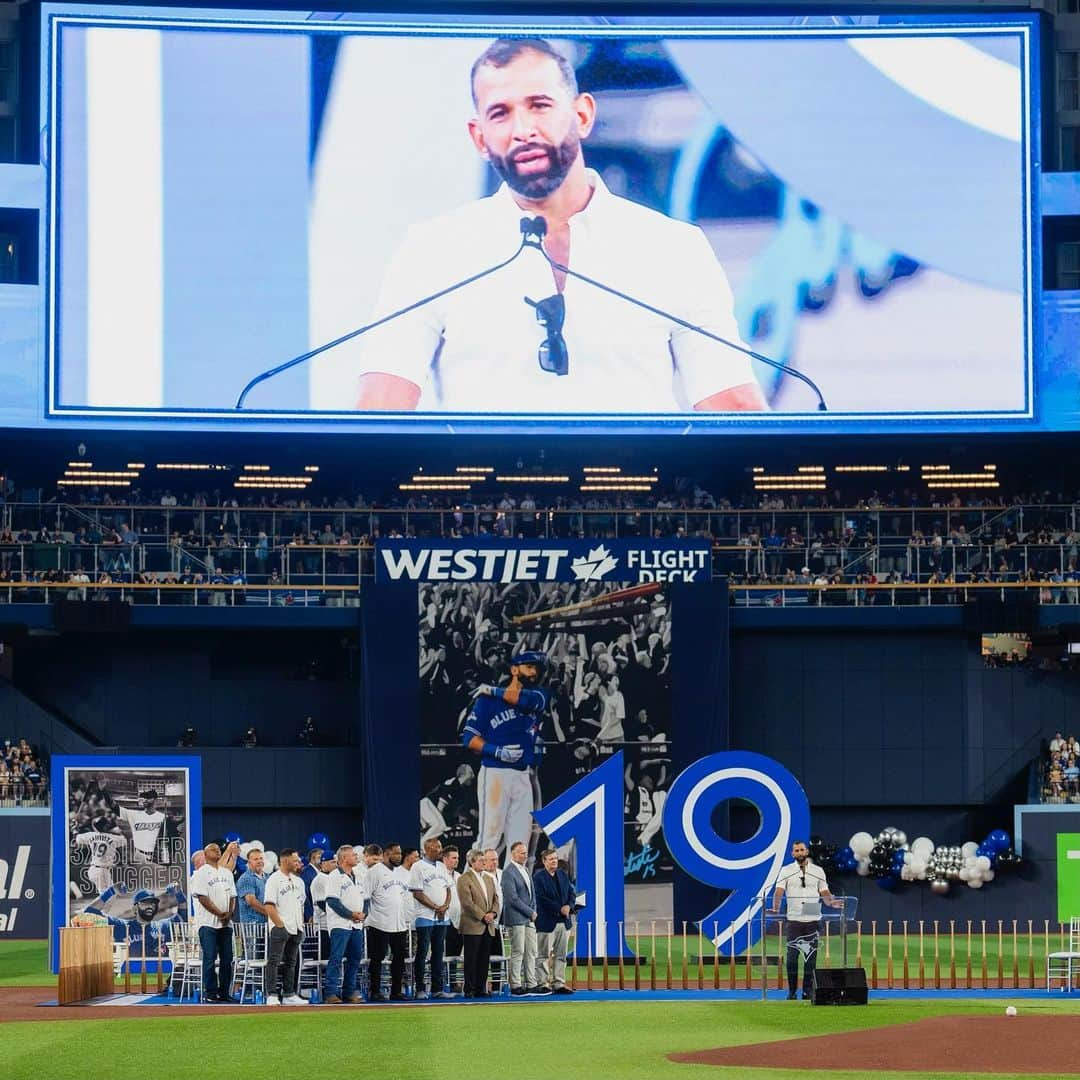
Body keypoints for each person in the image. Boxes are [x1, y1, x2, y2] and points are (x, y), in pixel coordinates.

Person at [355, 37, 766, 415]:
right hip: (486, 492)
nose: (523, 130)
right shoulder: (432, 250)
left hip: (635, 491)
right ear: (479, 139)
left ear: (582, 114)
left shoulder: (673, 247)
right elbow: (379, 413)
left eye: (540, 105)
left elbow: (733, 409)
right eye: (500, 114)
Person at [464, 649, 548, 854]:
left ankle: (512, 887)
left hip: (523, 774)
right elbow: (469, 738)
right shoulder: (487, 701)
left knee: (520, 844)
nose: (533, 673)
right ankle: (468, 886)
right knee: (489, 838)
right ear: (514, 669)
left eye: (536, 669)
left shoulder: (538, 695)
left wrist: (492, 690)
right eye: (528, 667)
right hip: (495, 773)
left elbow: (524, 700)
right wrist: (497, 751)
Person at [770, 839, 843, 1000]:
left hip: (813, 918)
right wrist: (775, 907)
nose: (799, 853)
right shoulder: (786, 870)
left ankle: (807, 991)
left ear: (807, 852)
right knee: (792, 958)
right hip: (794, 919)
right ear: (792, 854)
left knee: (811, 958)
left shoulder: (818, 871)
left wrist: (832, 902)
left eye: (802, 850)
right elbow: (779, 891)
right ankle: (792, 991)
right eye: (796, 851)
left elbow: (824, 892)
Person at [189, 841, 237, 1003]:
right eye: (213, 849)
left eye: (218, 849)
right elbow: (203, 897)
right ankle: (210, 993)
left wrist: (229, 914)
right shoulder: (200, 873)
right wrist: (220, 914)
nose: (217, 850)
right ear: (205, 854)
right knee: (209, 958)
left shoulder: (227, 873)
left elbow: (232, 896)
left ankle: (224, 992)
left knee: (227, 959)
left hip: (225, 924)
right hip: (207, 923)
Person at [363, 843, 410, 1001]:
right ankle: (375, 991)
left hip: (399, 923)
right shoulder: (374, 872)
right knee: (377, 957)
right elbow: (366, 897)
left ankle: (396, 991)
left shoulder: (401, 873)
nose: (399, 856)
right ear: (386, 854)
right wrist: (364, 917)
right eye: (396, 853)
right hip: (379, 922)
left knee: (399, 957)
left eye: (400, 853)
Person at [263, 848, 309, 1006]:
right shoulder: (273, 880)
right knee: (274, 961)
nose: (298, 863)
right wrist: (279, 925)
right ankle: (271, 994)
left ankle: (289, 993)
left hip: (296, 927)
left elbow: (300, 905)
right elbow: (269, 906)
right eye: (295, 860)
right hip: (280, 926)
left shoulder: (299, 881)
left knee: (291, 962)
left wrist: (301, 926)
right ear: (285, 861)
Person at [409, 837, 454, 999]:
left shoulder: (442, 866)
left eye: (440, 846)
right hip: (425, 916)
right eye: (436, 848)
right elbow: (417, 893)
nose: (439, 850)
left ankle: (437, 989)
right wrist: (436, 907)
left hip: (442, 916)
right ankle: (420, 989)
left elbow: (448, 889)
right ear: (427, 849)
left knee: (438, 953)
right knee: (422, 953)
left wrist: (445, 906)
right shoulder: (418, 866)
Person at [323, 844, 367, 1005]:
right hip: (340, 924)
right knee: (336, 958)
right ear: (343, 859)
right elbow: (332, 901)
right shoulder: (335, 876)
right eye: (353, 855)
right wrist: (351, 914)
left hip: (356, 924)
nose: (356, 857)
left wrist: (363, 914)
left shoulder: (359, 875)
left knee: (355, 959)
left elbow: (365, 899)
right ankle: (330, 993)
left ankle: (349, 992)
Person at [502, 840, 543, 995]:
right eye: (522, 852)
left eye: (526, 852)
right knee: (518, 951)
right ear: (513, 854)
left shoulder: (525, 869)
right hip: (516, 918)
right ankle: (515, 985)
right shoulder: (508, 872)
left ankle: (531, 983)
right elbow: (511, 898)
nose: (525, 855)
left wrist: (534, 910)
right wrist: (530, 912)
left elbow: (532, 895)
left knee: (531, 951)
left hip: (529, 918)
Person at [458, 848, 500, 998]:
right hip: (473, 925)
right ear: (472, 862)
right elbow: (467, 903)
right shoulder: (464, 879)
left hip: (488, 926)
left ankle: (481, 988)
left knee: (484, 959)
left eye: (484, 860)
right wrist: (483, 916)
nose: (484, 863)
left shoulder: (489, 878)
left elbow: (496, 899)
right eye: (481, 860)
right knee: (471, 959)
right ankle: (469, 989)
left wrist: (493, 914)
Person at [534, 847, 575, 994]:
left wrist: (569, 907)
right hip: (546, 923)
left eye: (556, 859)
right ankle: (543, 983)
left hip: (564, 923)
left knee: (561, 955)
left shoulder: (562, 875)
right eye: (551, 859)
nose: (554, 861)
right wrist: (559, 909)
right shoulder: (538, 878)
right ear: (544, 861)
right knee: (543, 955)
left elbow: (571, 893)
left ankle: (559, 983)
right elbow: (541, 899)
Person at [118, 790, 167, 864]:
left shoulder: (163, 817)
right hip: (139, 855)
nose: (145, 800)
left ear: (155, 800)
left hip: (157, 856)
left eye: (148, 798)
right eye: (143, 798)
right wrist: (103, 791)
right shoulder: (134, 815)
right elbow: (115, 809)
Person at [235, 846, 269, 924]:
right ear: (249, 862)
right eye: (256, 859)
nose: (259, 861)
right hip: (251, 927)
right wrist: (271, 914)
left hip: (267, 926)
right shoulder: (246, 878)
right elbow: (251, 901)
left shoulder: (268, 877)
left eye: (261, 858)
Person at [442, 845, 464, 962]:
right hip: (445, 920)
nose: (457, 860)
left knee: (456, 955)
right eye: (454, 858)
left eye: (457, 858)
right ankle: (445, 979)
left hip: (459, 922)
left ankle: (453, 979)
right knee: (446, 954)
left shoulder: (459, 876)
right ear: (445, 859)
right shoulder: (439, 875)